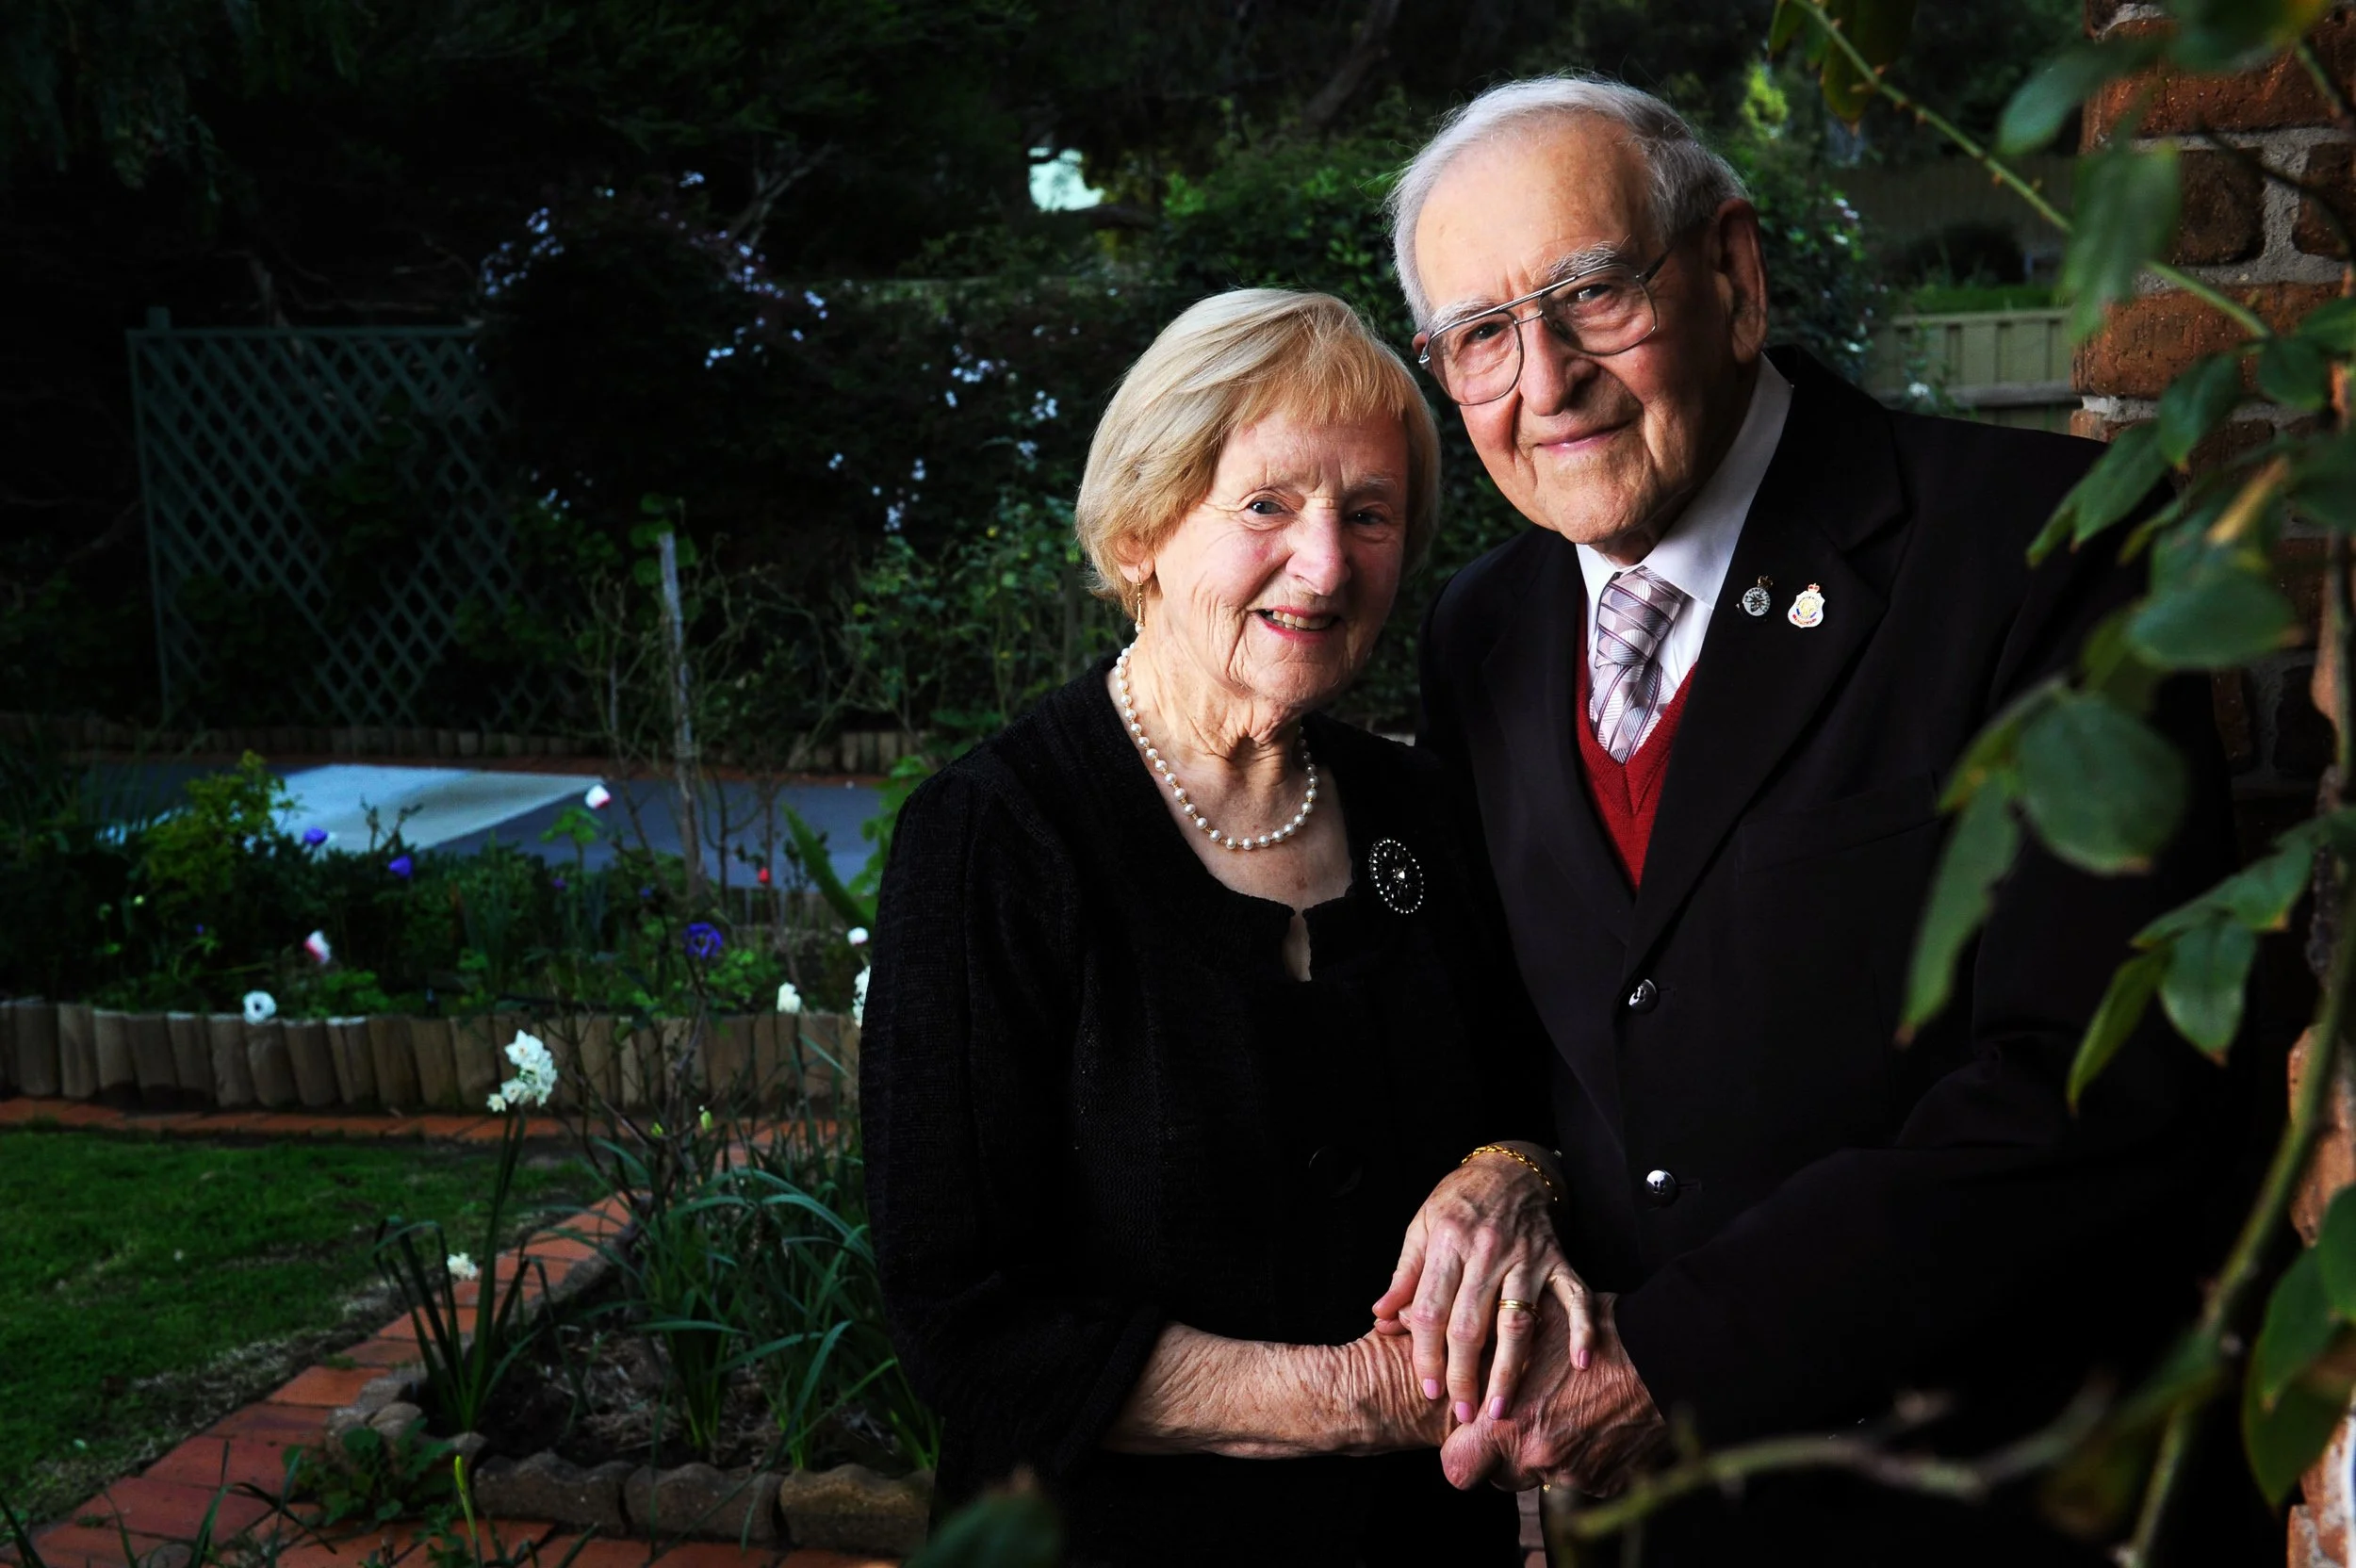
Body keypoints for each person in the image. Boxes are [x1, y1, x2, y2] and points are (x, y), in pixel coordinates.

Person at [1388, 77, 2239, 1560]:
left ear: (1733, 274)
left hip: (2002, 1503)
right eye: (1481, 336)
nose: (1546, 379)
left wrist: (1680, 1359)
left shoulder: (2048, 548)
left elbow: (2100, 1082)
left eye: (1589, 293)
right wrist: (1502, 1174)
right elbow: (1534, 1038)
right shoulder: (1482, 633)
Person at [859, 288, 1579, 1565]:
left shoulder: (1421, 808)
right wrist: (1362, 1398)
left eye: (1369, 514)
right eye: (1267, 506)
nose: (1326, 561)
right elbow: (967, 1319)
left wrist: (1505, 1178)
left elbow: (1537, 1086)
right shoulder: (995, 839)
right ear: (1143, 527)